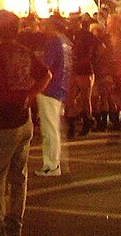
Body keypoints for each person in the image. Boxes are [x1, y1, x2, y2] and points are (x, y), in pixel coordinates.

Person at [0, 9, 51, 236]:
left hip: (1, 121)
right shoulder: (25, 52)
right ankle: (14, 224)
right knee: (18, 178)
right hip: (23, 118)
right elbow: (46, 75)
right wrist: (30, 95)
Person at [36, 14, 71, 176]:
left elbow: (45, 67)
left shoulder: (52, 42)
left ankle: (51, 165)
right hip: (60, 88)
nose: (44, 28)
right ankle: (53, 163)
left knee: (49, 129)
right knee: (54, 128)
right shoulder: (65, 42)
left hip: (49, 88)